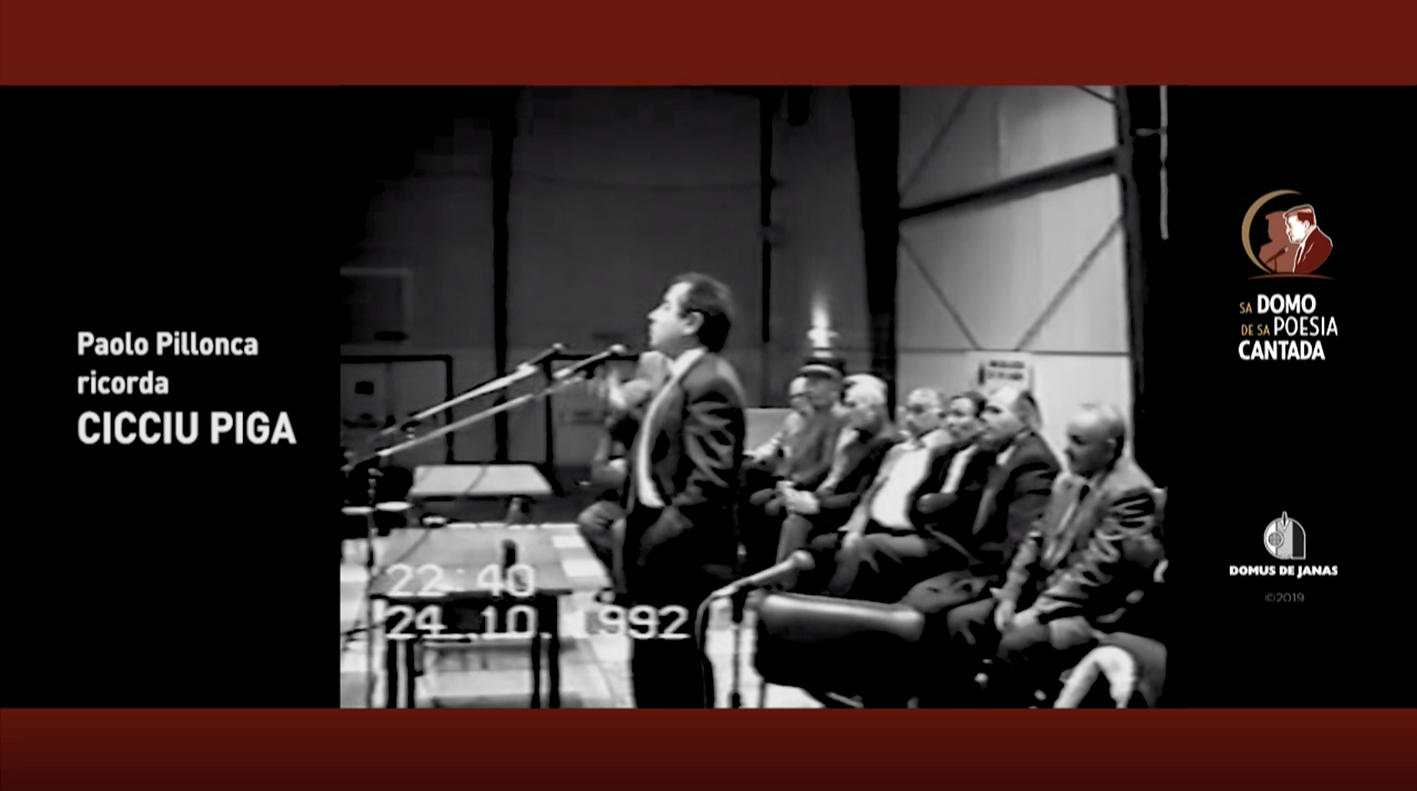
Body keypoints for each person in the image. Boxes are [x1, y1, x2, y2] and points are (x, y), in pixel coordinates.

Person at [934, 402, 1162, 706]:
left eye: (1078, 442)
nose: (1066, 450)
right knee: (962, 621)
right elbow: (1034, 539)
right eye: (1068, 438)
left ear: (1109, 449)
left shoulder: (1130, 493)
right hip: (1041, 595)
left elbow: (1095, 571)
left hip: (1087, 613)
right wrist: (1011, 594)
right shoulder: (1068, 479)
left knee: (1017, 643)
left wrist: (1038, 612)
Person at [621, 272, 746, 708]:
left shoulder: (711, 381)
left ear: (692, 322)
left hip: (681, 553)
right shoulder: (678, 377)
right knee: (654, 658)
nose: (652, 315)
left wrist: (658, 538)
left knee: (675, 666)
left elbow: (710, 480)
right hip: (658, 544)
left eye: (664, 307)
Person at [897, 386, 1059, 704]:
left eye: (996, 411)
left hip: (1004, 579)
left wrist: (989, 588)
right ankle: (912, 696)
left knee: (954, 619)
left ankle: (942, 704)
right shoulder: (1000, 454)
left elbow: (1020, 541)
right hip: (977, 565)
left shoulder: (1034, 461)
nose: (985, 418)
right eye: (986, 410)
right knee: (913, 602)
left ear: (1024, 419)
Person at [812, 387, 953, 602]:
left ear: (941, 416)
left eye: (919, 410)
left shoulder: (946, 452)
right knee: (822, 544)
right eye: (907, 410)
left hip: (912, 531)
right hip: (875, 524)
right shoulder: (899, 450)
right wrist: (854, 529)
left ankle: (829, 608)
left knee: (859, 548)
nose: (909, 417)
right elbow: (870, 494)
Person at [576, 351, 670, 605]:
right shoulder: (628, 408)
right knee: (591, 520)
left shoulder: (673, 410)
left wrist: (626, 470)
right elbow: (599, 471)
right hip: (628, 496)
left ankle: (626, 593)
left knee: (622, 530)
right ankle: (623, 579)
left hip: (663, 500)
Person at [774, 374, 898, 565]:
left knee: (797, 521)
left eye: (852, 405)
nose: (847, 412)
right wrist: (808, 496)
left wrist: (817, 504)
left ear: (874, 409)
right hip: (837, 503)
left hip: (857, 516)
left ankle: (783, 579)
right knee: (790, 513)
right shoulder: (856, 438)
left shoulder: (886, 443)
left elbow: (862, 497)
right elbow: (836, 477)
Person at [739, 365, 845, 573]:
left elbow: (827, 463)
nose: (809, 389)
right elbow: (783, 448)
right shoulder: (809, 417)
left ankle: (772, 572)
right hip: (792, 481)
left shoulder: (838, 418)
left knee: (772, 508)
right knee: (751, 496)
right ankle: (754, 565)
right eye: (808, 383)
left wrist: (794, 484)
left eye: (815, 384)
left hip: (816, 487)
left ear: (833, 389)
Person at [1283, 204, 1333, 274]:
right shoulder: (1302, 248)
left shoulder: (1321, 244)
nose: (1287, 231)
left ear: (1306, 225)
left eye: (1290, 226)